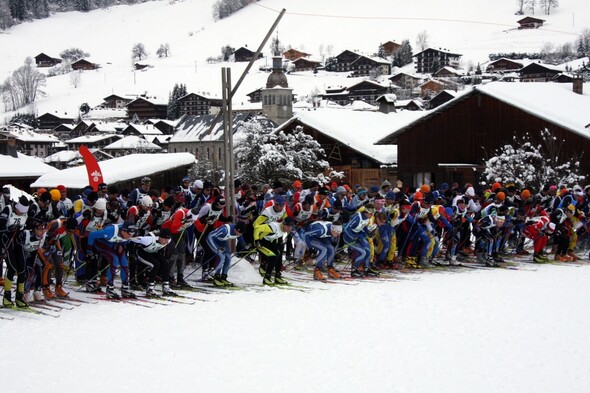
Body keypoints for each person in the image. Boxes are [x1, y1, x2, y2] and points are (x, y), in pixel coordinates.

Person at [87, 221, 137, 299]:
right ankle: (110, 288)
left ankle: (125, 288)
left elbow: (124, 242)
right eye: (129, 234)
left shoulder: (127, 233)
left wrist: (122, 246)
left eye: (132, 234)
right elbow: (92, 235)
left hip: (115, 244)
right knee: (114, 259)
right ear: (123, 231)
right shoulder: (110, 231)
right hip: (101, 243)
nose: (130, 236)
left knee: (125, 263)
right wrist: (89, 252)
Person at [1, 196, 31, 307]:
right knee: (12, 268)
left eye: (22, 213)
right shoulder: (8, 209)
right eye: (19, 212)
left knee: (22, 270)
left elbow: (24, 228)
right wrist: (9, 229)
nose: (20, 214)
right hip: (7, 243)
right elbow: (0, 227)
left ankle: (19, 297)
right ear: (17, 207)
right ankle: (7, 297)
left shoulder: (25, 214)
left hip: (17, 244)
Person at [129, 227, 177, 297]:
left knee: (165, 263)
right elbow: (132, 239)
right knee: (155, 264)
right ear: (160, 237)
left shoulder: (168, 240)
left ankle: (166, 287)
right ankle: (150, 288)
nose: (167, 241)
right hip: (142, 253)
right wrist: (131, 253)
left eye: (168, 239)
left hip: (152, 251)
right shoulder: (148, 239)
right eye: (165, 239)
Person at [254, 217, 295, 285]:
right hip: (259, 243)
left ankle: (277, 276)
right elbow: (257, 228)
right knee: (273, 256)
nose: (290, 229)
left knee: (279, 254)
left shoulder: (283, 230)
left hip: (267, 242)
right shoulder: (274, 227)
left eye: (291, 227)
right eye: (289, 227)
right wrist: (256, 241)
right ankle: (267, 278)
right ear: (284, 224)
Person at [206, 221, 246, 287]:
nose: (239, 235)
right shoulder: (224, 230)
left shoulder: (238, 232)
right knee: (221, 256)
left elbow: (240, 237)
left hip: (223, 241)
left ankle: (223, 276)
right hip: (213, 240)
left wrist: (244, 245)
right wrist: (218, 248)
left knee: (228, 257)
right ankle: (217, 276)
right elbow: (210, 237)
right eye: (239, 233)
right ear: (236, 229)